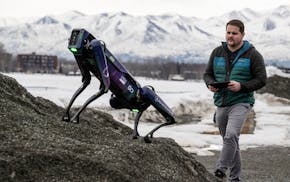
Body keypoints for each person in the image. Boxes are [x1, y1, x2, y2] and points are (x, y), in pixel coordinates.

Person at [203, 19, 267, 181]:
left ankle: (220, 168)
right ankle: (235, 178)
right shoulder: (217, 52)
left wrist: (242, 86)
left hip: (241, 101)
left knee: (231, 136)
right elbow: (207, 74)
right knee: (231, 142)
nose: (230, 36)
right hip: (221, 101)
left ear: (242, 35)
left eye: (234, 33)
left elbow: (261, 79)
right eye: (228, 32)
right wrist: (210, 84)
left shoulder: (253, 54)